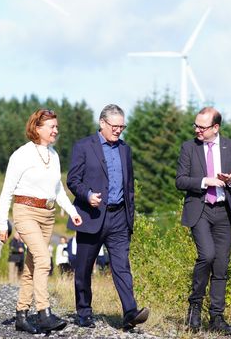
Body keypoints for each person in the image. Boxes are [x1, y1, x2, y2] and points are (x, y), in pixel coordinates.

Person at [0, 108, 83, 334]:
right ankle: (44, 312)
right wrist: (2, 222)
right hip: (25, 212)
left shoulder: (53, 156)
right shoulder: (21, 155)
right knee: (44, 260)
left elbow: (58, 190)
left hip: (48, 215)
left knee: (32, 265)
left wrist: (72, 211)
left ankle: (21, 315)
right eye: (52, 126)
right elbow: (6, 191)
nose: (56, 130)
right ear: (37, 128)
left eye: (57, 126)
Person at [67, 104, 149, 330]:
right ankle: (84, 312)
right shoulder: (83, 146)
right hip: (91, 215)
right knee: (84, 268)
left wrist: (129, 215)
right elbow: (73, 180)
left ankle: (130, 312)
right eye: (115, 126)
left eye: (122, 126)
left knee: (122, 266)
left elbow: (129, 185)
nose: (118, 130)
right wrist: (88, 195)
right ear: (102, 123)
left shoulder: (125, 149)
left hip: (119, 217)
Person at [176, 107, 231, 335]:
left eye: (202, 127)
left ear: (215, 128)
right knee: (206, 255)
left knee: (221, 265)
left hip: (223, 212)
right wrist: (205, 181)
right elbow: (180, 181)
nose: (197, 130)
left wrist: (230, 182)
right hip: (200, 210)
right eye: (195, 125)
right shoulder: (189, 147)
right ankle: (194, 308)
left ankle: (216, 317)